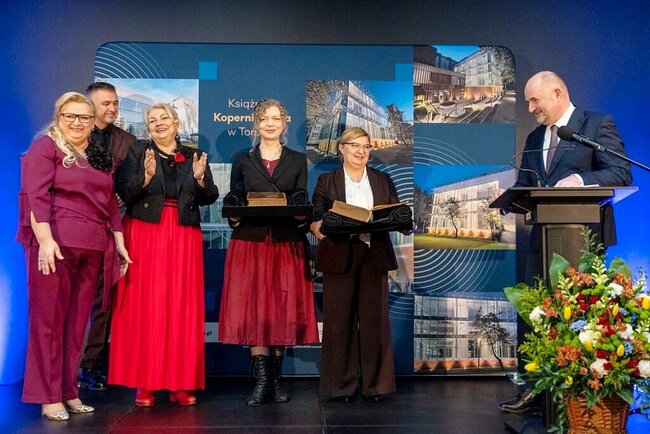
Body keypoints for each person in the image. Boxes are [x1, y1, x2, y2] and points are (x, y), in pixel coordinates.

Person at [502, 71, 632, 413]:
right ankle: (535, 389)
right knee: (534, 314)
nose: (530, 108)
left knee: (579, 315)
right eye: (528, 101)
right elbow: (527, 184)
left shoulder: (595, 125)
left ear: (557, 93)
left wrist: (580, 179)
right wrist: (508, 198)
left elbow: (621, 173)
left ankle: (580, 394)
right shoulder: (535, 137)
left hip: (583, 240)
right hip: (541, 240)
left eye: (534, 100)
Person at [17, 92, 130, 420]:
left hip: (92, 245)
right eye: (70, 116)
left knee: (77, 323)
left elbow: (109, 202)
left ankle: (69, 391)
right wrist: (45, 240)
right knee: (48, 322)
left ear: (92, 121)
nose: (77, 122)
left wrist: (119, 243)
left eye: (84, 117)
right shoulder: (45, 148)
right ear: (59, 117)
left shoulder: (97, 155)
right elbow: (35, 195)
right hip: (54, 245)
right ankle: (48, 396)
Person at [108, 103, 219, 407]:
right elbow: (125, 193)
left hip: (183, 234)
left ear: (176, 122)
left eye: (163, 118)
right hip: (145, 232)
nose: (158, 123)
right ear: (147, 127)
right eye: (152, 120)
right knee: (146, 304)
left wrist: (200, 179)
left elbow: (209, 196)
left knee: (181, 305)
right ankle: (145, 383)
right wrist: (145, 178)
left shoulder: (194, 155)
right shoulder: (137, 151)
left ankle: (179, 384)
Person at [219, 99, 318, 406]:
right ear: (257, 123)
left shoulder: (298, 160)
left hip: (287, 242)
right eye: (265, 118)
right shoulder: (242, 159)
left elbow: (301, 200)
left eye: (276, 118)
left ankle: (275, 382)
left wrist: (299, 211)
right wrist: (234, 214)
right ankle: (263, 383)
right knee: (255, 310)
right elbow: (235, 199)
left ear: (285, 123)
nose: (271, 123)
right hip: (250, 242)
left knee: (281, 310)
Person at [310, 127, 407, 402]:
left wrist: (403, 218)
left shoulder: (382, 179)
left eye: (366, 146)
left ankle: (376, 386)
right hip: (340, 254)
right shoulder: (326, 180)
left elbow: (395, 211)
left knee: (375, 324)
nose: (361, 151)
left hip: (374, 255)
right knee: (338, 323)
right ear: (341, 148)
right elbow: (317, 215)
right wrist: (317, 224)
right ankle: (340, 387)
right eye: (355, 145)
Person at [78, 82, 136, 392]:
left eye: (115, 103)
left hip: (112, 229)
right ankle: (62, 368)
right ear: (89, 106)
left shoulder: (128, 141)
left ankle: (90, 367)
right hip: (72, 228)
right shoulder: (72, 136)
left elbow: (130, 188)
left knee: (103, 302)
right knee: (72, 301)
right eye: (106, 104)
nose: (112, 108)